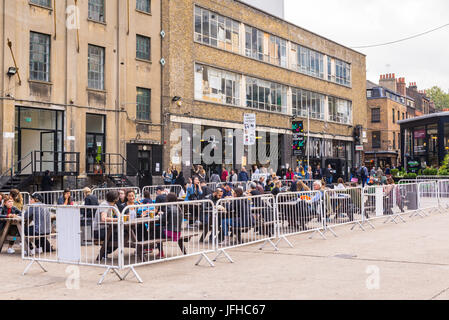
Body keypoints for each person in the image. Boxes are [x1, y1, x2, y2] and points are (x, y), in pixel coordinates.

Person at [93, 191, 119, 260]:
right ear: (115, 199)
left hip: (107, 229)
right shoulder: (104, 205)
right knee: (118, 237)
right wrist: (117, 219)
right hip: (99, 230)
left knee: (122, 235)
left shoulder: (114, 205)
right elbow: (103, 219)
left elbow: (119, 215)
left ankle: (105, 252)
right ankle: (104, 252)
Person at [157, 193, 184, 258]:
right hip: (178, 233)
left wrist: (160, 215)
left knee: (156, 232)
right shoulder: (179, 208)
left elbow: (163, 219)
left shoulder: (169, 207)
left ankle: (160, 252)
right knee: (158, 230)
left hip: (170, 233)